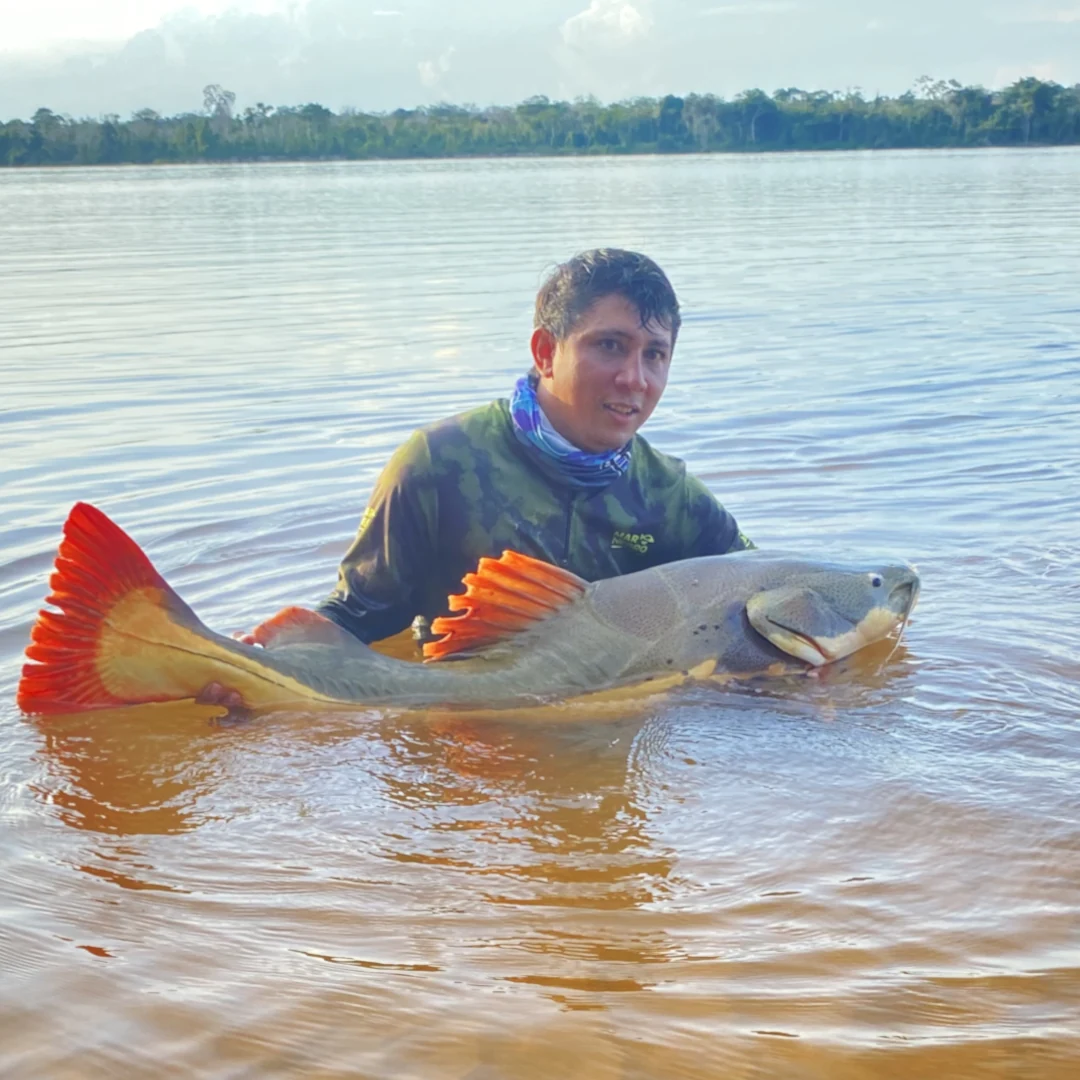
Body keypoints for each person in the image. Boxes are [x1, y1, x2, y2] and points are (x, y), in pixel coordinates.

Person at [241, 248, 752, 657]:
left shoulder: (672, 496)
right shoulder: (437, 463)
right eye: (610, 346)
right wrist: (267, 665)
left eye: (655, 354)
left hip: (613, 726)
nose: (634, 379)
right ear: (545, 352)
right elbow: (358, 614)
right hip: (461, 717)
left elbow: (754, 586)